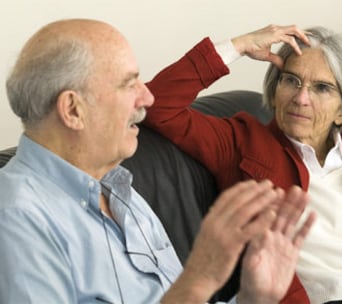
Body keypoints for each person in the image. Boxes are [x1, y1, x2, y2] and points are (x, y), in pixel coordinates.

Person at [0, 19, 317, 304]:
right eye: (129, 84)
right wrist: (200, 281)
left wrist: (253, 298)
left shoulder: (119, 188)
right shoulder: (16, 218)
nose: (147, 98)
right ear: (73, 110)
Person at [143, 24, 342, 303]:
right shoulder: (242, 141)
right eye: (291, 81)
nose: (301, 98)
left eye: (321, 88)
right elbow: (155, 106)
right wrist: (239, 46)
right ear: (274, 91)